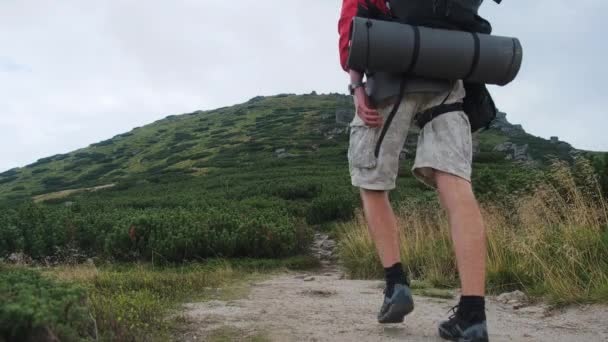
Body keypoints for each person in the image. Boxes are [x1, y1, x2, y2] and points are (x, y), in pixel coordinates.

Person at [338, 0, 489, 341]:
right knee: (456, 185)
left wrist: (357, 88)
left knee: (372, 182)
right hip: (447, 78)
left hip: (392, 76)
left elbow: (352, 30)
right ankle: (473, 314)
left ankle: (396, 286)